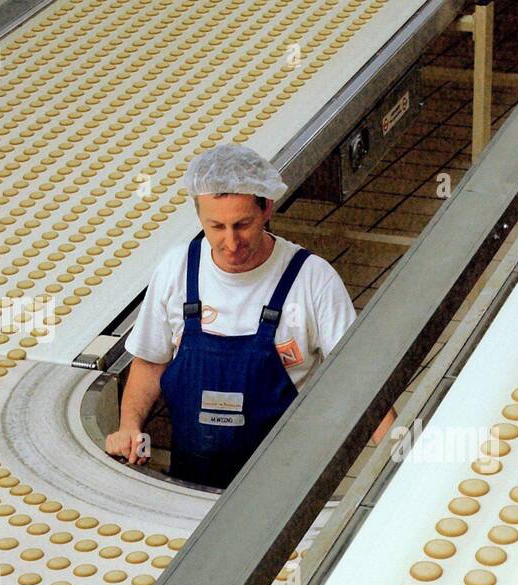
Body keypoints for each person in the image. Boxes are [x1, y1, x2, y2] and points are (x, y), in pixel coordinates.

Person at [106, 144, 392, 487]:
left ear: (267, 208)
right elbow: (151, 362)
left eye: (243, 224)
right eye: (216, 227)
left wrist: (398, 459)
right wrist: (129, 426)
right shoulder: (178, 269)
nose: (230, 242)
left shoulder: (311, 278)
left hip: (282, 481)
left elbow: (357, 381)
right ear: (199, 217)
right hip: (189, 480)